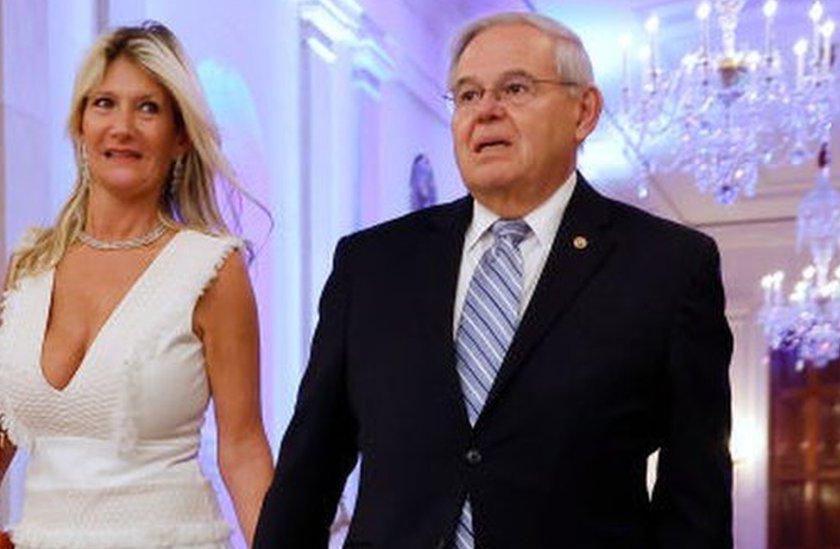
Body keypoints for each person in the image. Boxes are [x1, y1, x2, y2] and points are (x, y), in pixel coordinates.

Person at [255, 12, 732, 548]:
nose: (486, 112)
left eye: (515, 88)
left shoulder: (667, 266)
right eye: (467, 95)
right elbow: (309, 469)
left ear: (584, 111)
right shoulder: (371, 265)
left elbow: (696, 496)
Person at [0, 22, 273, 548]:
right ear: (79, 123)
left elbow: (242, 447)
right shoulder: (31, 264)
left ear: (181, 136)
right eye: (104, 103)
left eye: (148, 109)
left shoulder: (212, 269)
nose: (122, 126)